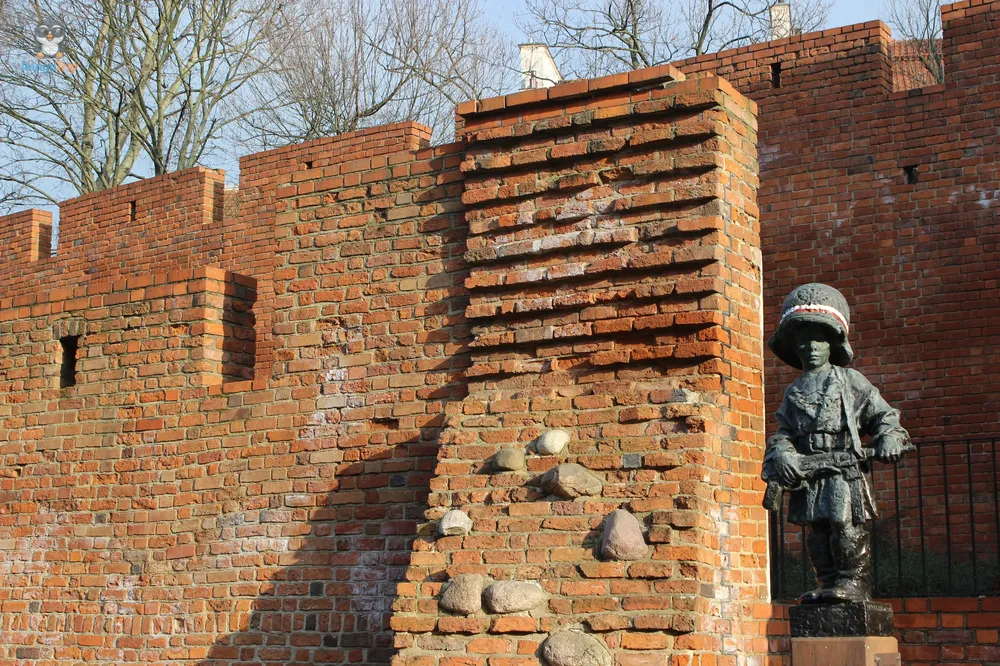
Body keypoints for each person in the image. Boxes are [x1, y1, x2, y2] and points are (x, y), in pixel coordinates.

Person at [762, 283, 911, 604]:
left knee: (843, 526)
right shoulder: (793, 391)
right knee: (817, 533)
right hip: (808, 471)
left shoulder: (851, 382)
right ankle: (827, 582)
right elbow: (784, 433)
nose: (811, 346)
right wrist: (785, 455)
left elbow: (885, 418)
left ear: (832, 343)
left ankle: (852, 583)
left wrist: (889, 438)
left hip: (843, 470)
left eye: (819, 337)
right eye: (803, 338)